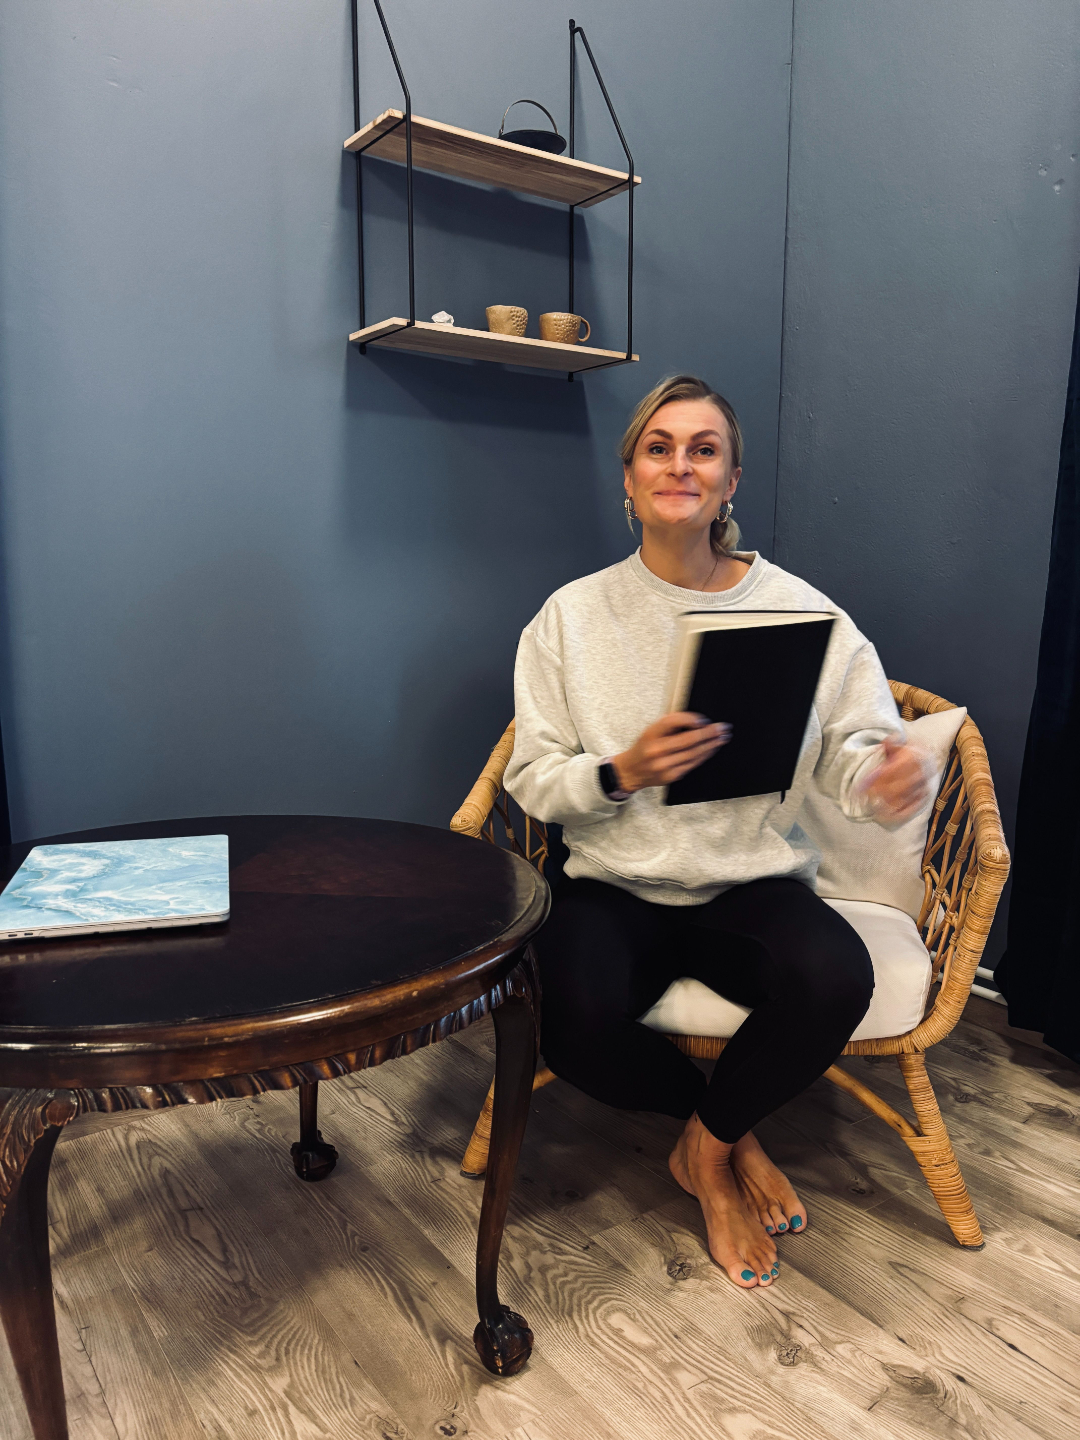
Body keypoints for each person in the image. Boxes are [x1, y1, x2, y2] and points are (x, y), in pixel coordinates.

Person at [504, 374, 930, 1292]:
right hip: (613, 882)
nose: (680, 465)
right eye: (658, 448)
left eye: (704, 450)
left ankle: (705, 1148)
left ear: (731, 480)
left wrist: (883, 777)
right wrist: (623, 770)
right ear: (628, 477)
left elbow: (853, 751)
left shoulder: (805, 613)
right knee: (569, 1025)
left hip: (749, 884)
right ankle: (727, 1131)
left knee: (835, 977)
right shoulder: (569, 618)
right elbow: (532, 779)